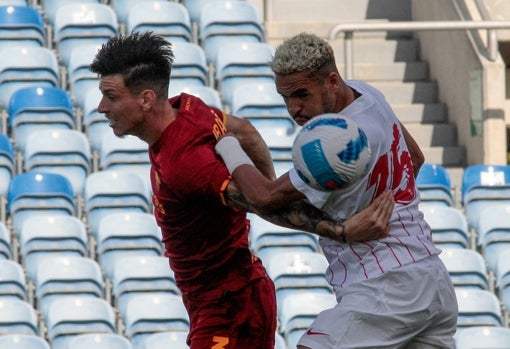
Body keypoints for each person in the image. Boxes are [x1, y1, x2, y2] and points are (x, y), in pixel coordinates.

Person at [89, 32, 395, 349]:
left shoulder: (185, 163)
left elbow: (262, 202)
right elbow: (245, 131)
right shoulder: (190, 109)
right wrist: (267, 184)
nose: (101, 107)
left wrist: (339, 229)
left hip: (230, 308)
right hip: (226, 299)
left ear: (146, 99)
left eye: (111, 96)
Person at [215, 32, 458, 349]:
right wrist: (379, 199)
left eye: (301, 94)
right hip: (429, 274)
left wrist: (226, 144)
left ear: (331, 81)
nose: (294, 108)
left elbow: (264, 196)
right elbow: (415, 157)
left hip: (386, 285)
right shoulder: (366, 94)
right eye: (285, 97)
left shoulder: (337, 141)